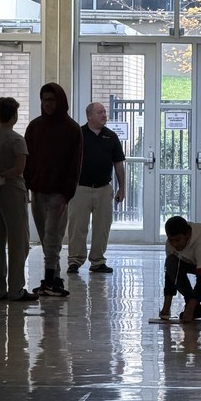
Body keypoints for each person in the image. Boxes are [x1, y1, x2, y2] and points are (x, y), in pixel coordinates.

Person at [24, 82, 82, 298]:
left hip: (59, 192)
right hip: (38, 190)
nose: (48, 104)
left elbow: (75, 162)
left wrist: (67, 192)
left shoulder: (71, 129)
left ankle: (50, 279)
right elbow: (28, 158)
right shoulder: (35, 127)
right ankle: (53, 278)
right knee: (44, 235)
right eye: (44, 100)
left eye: (51, 100)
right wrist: (29, 182)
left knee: (52, 237)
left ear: (60, 102)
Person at [67, 101, 126, 276]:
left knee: (102, 228)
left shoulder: (111, 136)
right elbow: (67, 162)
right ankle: (75, 261)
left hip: (103, 189)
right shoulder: (78, 135)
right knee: (77, 227)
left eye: (104, 112)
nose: (104, 115)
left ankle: (98, 261)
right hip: (80, 188)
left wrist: (121, 188)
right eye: (100, 112)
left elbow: (118, 163)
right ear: (89, 116)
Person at [0, 96, 36, 303]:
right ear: (14, 115)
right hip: (13, 190)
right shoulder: (17, 139)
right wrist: (5, 174)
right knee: (19, 241)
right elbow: (20, 168)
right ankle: (16, 288)